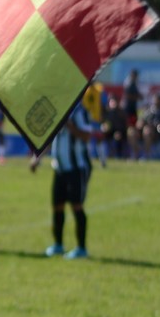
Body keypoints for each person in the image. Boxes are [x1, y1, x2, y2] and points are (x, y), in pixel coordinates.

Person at [30, 102, 92, 259]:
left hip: (76, 167)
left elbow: (86, 136)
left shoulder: (79, 111)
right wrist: (37, 158)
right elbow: (50, 137)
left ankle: (81, 248)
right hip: (59, 168)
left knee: (77, 206)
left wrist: (70, 125)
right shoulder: (58, 109)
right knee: (57, 206)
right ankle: (58, 244)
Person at [139, 93, 160, 159]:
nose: (156, 102)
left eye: (158, 100)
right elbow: (141, 122)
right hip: (149, 131)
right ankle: (147, 154)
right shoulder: (148, 111)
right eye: (155, 100)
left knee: (148, 131)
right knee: (147, 130)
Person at [123, 68, 143, 159]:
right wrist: (138, 96)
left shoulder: (133, 84)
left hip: (132, 111)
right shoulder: (129, 84)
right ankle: (135, 151)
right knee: (131, 131)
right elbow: (129, 96)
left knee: (133, 131)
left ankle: (135, 151)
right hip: (129, 111)